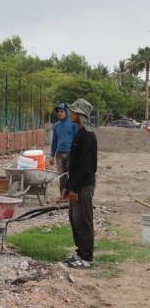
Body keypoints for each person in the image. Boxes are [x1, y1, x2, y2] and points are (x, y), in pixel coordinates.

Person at [63, 99, 98, 269]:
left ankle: (87, 258)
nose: (71, 113)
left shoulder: (87, 136)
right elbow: (74, 165)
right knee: (75, 220)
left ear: (81, 115)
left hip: (83, 186)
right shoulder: (80, 133)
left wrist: (75, 188)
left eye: (74, 111)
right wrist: (68, 187)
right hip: (77, 185)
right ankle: (80, 253)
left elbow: (86, 167)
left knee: (84, 221)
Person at [49, 103, 78, 198]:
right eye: (58, 112)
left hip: (71, 153)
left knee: (72, 175)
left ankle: (73, 195)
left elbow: (77, 140)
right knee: (62, 176)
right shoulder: (56, 125)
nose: (59, 113)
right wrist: (52, 156)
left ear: (66, 112)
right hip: (59, 154)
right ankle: (63, 196)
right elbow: (54, 142)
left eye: (62, 111)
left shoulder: (73, 124)